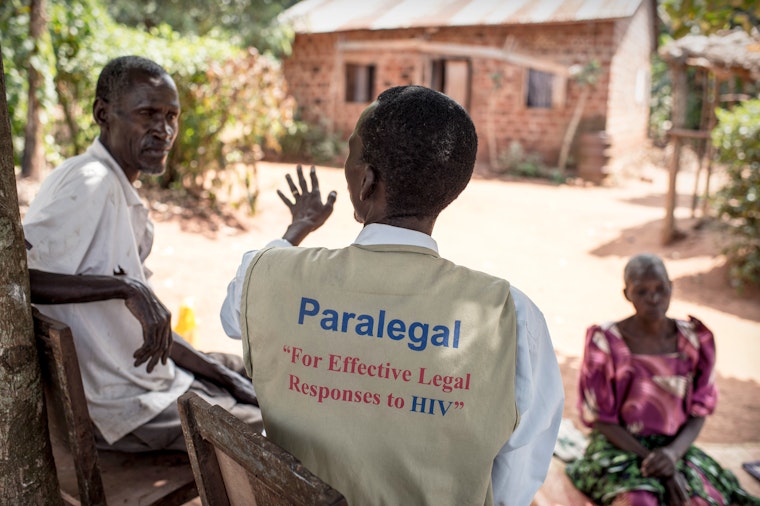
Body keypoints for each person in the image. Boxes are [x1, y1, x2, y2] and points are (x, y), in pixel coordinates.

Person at [221, 85, 564, 505]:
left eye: (352, 152)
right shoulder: (510, 316)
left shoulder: (266, 277)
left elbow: (232, 312)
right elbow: (516, 477)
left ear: (366, 181)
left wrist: (295, 231)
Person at [23, 55, 262, 452]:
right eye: (148, 114)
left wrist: (225, 377)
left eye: (172, 116)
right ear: (103, 113)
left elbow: (151, 325)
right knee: (277, 431)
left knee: (251, 372)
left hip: (143, 379)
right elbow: (18, 277)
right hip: (125, 405)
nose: (164, 130)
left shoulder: (115, 188)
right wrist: (125, 288)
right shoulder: (91, 182)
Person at [566, 253, 760, 505]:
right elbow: (602, 419)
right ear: (627, 294)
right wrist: (660, 465)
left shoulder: (695, 340)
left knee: (702, 500)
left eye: (660, 289)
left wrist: (671, 454)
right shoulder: (605, 342)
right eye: (642, 291)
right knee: (638, 501)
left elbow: (699, 411)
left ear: (671, 287)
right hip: (620, 447)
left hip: (675, 447)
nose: (654, 298)